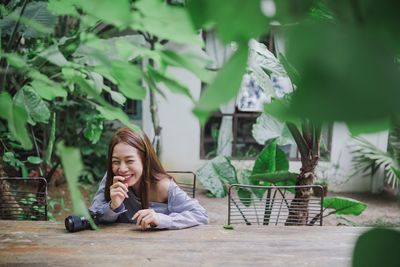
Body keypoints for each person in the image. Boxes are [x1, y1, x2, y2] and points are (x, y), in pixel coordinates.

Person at [89, 127, 208, 230]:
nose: (122, 169)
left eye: (130, 160)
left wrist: (161, 219)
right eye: (116, 161)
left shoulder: (163, 186)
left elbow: (200, 215)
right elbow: (93, 215)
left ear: (145, 160)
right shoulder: (113, 178)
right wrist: (113, 206)